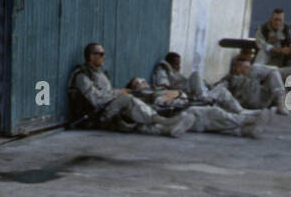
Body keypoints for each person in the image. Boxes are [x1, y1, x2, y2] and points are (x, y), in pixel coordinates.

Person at [69, 43, 265, 139]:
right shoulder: (82, 75)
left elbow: (112, 93)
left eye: (103, 53)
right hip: (98, 116)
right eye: (99, 54)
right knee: (128, 101)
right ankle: (164, 122)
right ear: (90, 56)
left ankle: (243, 126)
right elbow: (95, 100)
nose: (103, 56)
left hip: (122, 113)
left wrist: (122, 92)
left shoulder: (102, 74)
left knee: (199, 115)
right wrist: (121, 93)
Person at [150, 52, 244, 116]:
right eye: (176, 64)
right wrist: (178, 91)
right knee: (195, 74)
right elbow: (163, 88)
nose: (179, 66)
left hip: (194, 93)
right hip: (184, 94)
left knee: (222, 91)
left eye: (179, 64)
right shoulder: (163, 69)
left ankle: (240, 110)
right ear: (169, 63)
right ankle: (203, 97)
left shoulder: (175, 73)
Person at [254, 8, 291, 80]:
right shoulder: (262, 29)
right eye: (275, 20)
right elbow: (261, 43)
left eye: (280, 20)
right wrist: (277, 50)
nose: (277, 23)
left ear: (283, 21)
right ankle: (273, 73)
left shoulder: (287, 30)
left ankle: (275, 72)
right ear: (271, 19)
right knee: (258, 62)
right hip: (267, 57)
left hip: (282, 58)